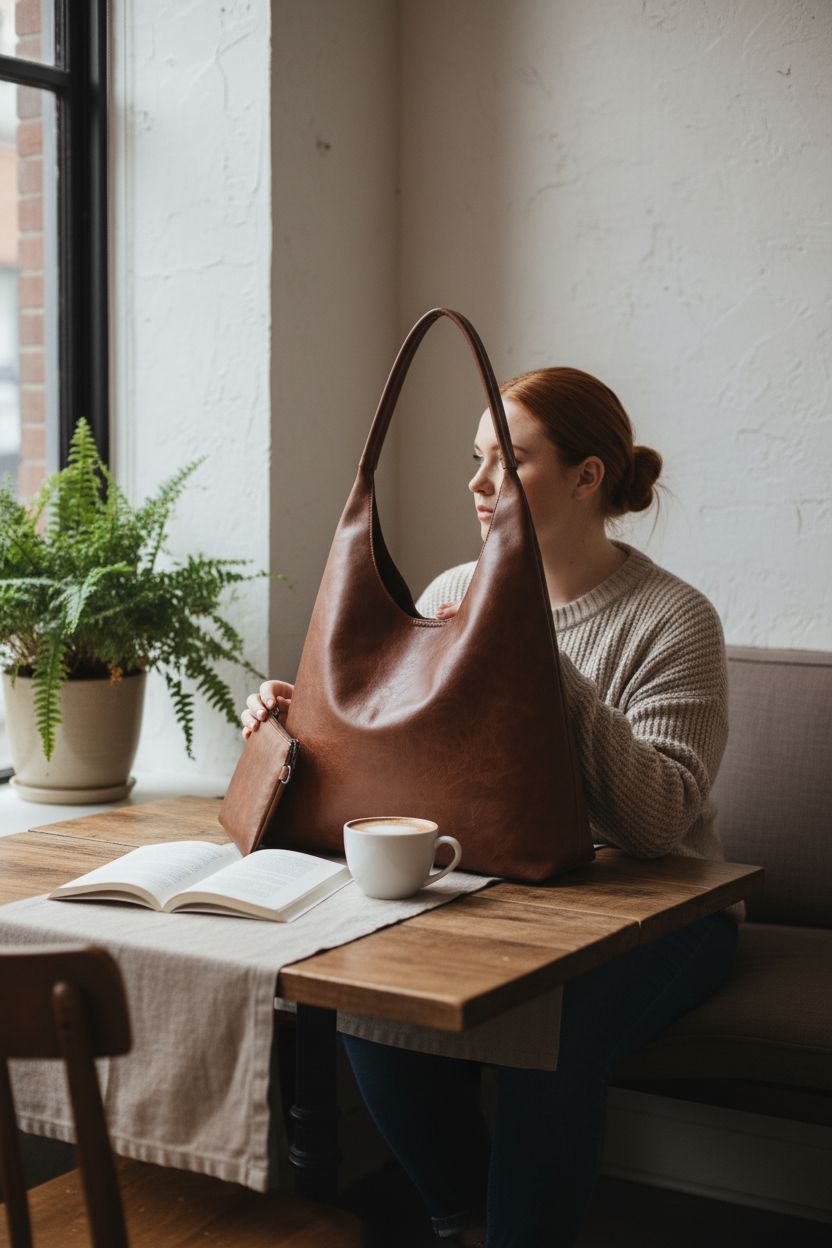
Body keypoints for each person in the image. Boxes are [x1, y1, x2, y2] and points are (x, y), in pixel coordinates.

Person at [240, 367, 742, 1248]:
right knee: (364, 996)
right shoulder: (446, 597)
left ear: (587, 478)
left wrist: (538, 654)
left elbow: (661, 823)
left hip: (669, 914)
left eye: (507, 461)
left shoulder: (674, 620)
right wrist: (301, 725)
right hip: (502, 898)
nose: (477, 485)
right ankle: (464, 1219)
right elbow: (401, 772)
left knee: (554, 1036)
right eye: (474, 459)